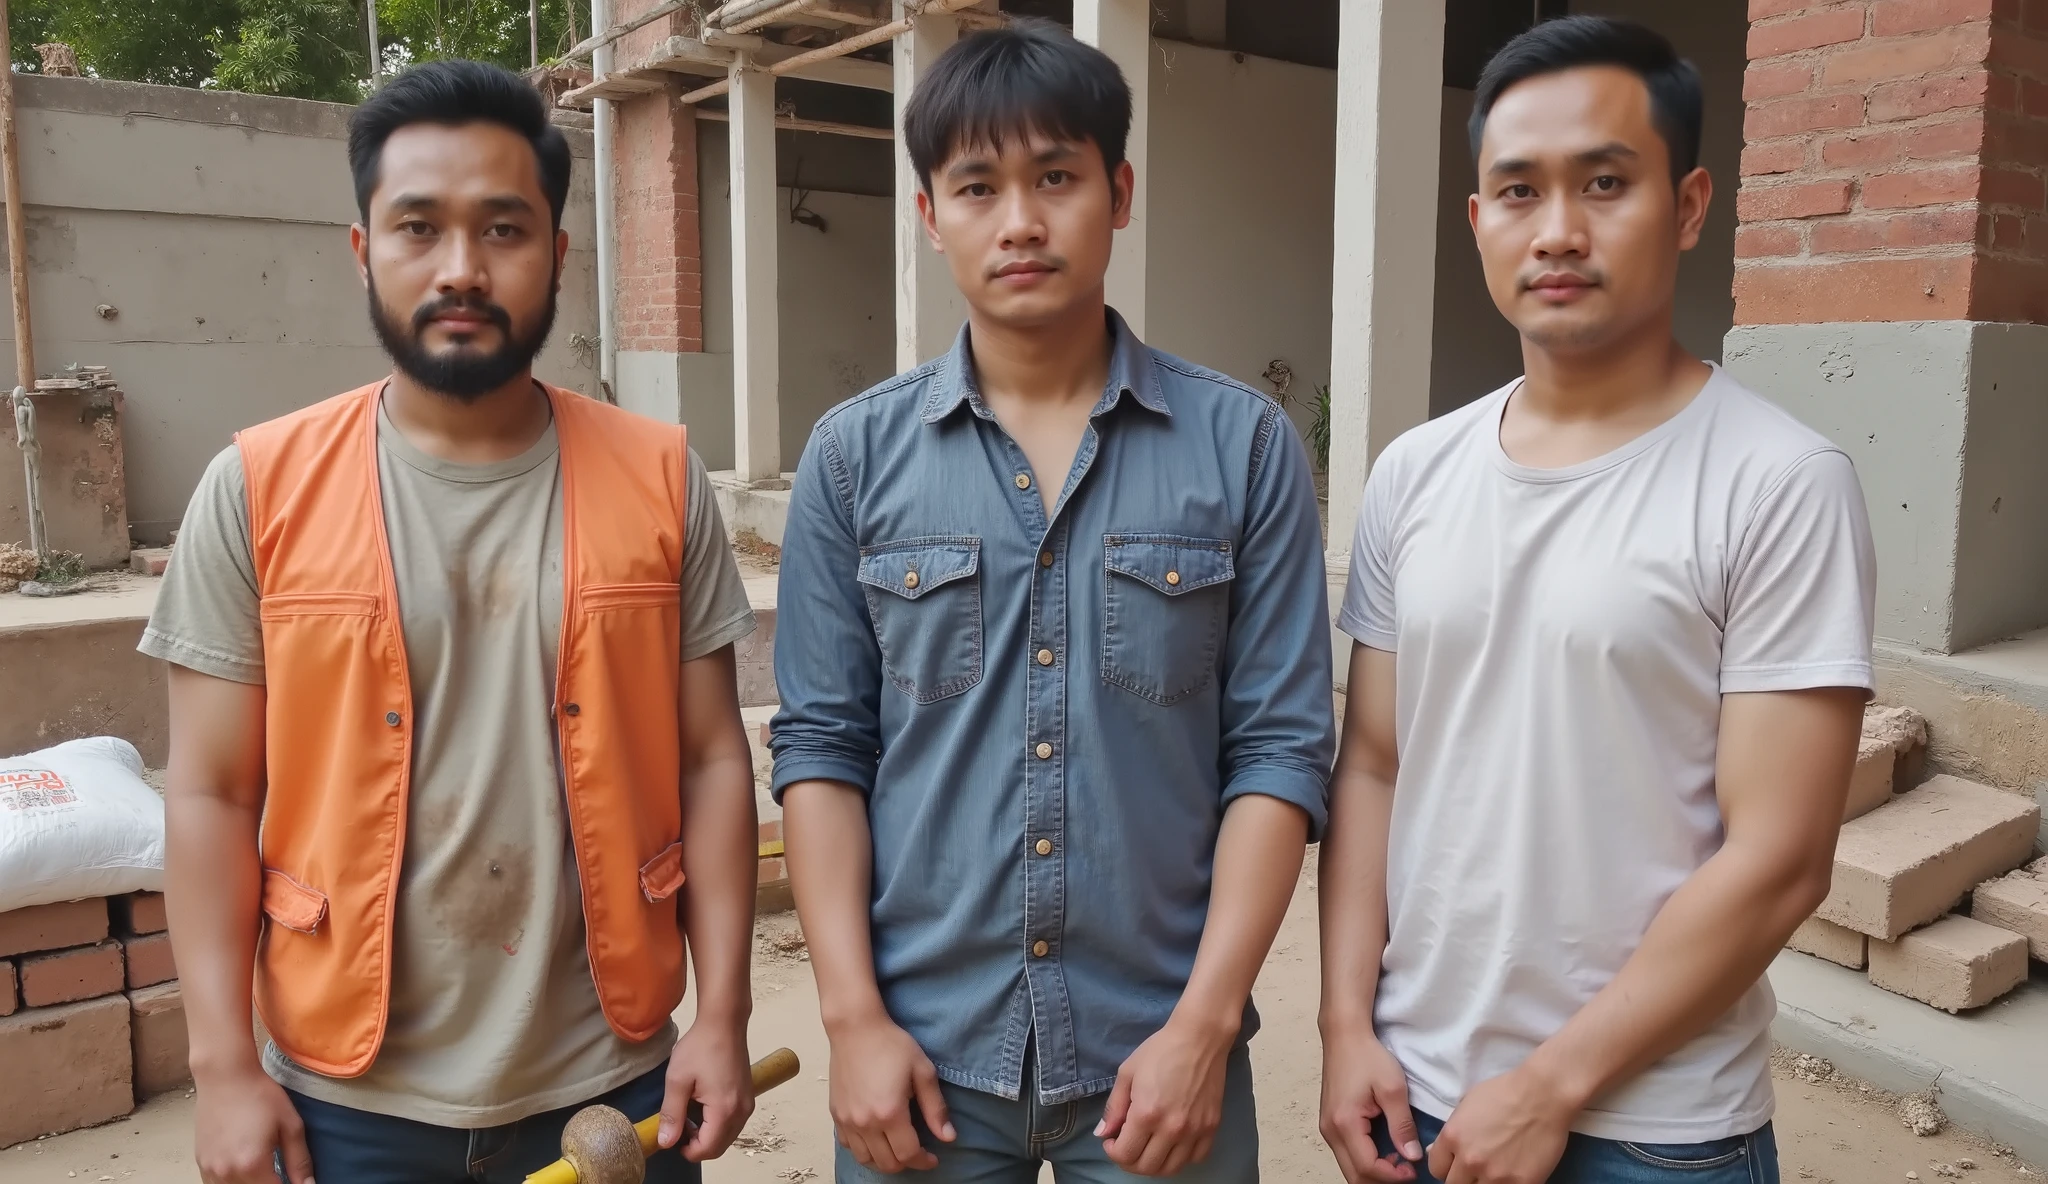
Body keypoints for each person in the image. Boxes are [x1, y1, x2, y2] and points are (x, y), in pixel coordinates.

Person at [145, 61, 762, 1184]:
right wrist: (223, 1063)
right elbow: (210, 791)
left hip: (610, 1083)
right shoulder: (257, 487)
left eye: (504, 228)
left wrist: (720, 1011)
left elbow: (715, 757)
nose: (461, 269)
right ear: (362, 250)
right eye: (418, 227)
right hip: (345, 1104)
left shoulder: (659, 477)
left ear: (559, 256)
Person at [769, 19, 1335, 1183]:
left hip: (1157, 1061)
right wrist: (850, 1020)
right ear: (929, 216)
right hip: (919, 1059)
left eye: (1056, 178)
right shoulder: (849, 460)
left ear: (1117, 193)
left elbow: (1277, 753)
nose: (1019, 219)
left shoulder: (1242, 448)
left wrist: (1205, 1024)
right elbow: (824, 746)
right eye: (976, 186)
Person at [1317, 17, 1875, 1184]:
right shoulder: (1413, 472)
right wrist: (1344, 1026)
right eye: (1517, 190)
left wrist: (1550, 1083)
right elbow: (1372, 759)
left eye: (1604, 183)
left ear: (1685, 205)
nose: (1557, 229)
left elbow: (1780, 855)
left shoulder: (1775, 482)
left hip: (1654, 1128)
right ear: (1478, 220)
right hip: (1413, 1100)